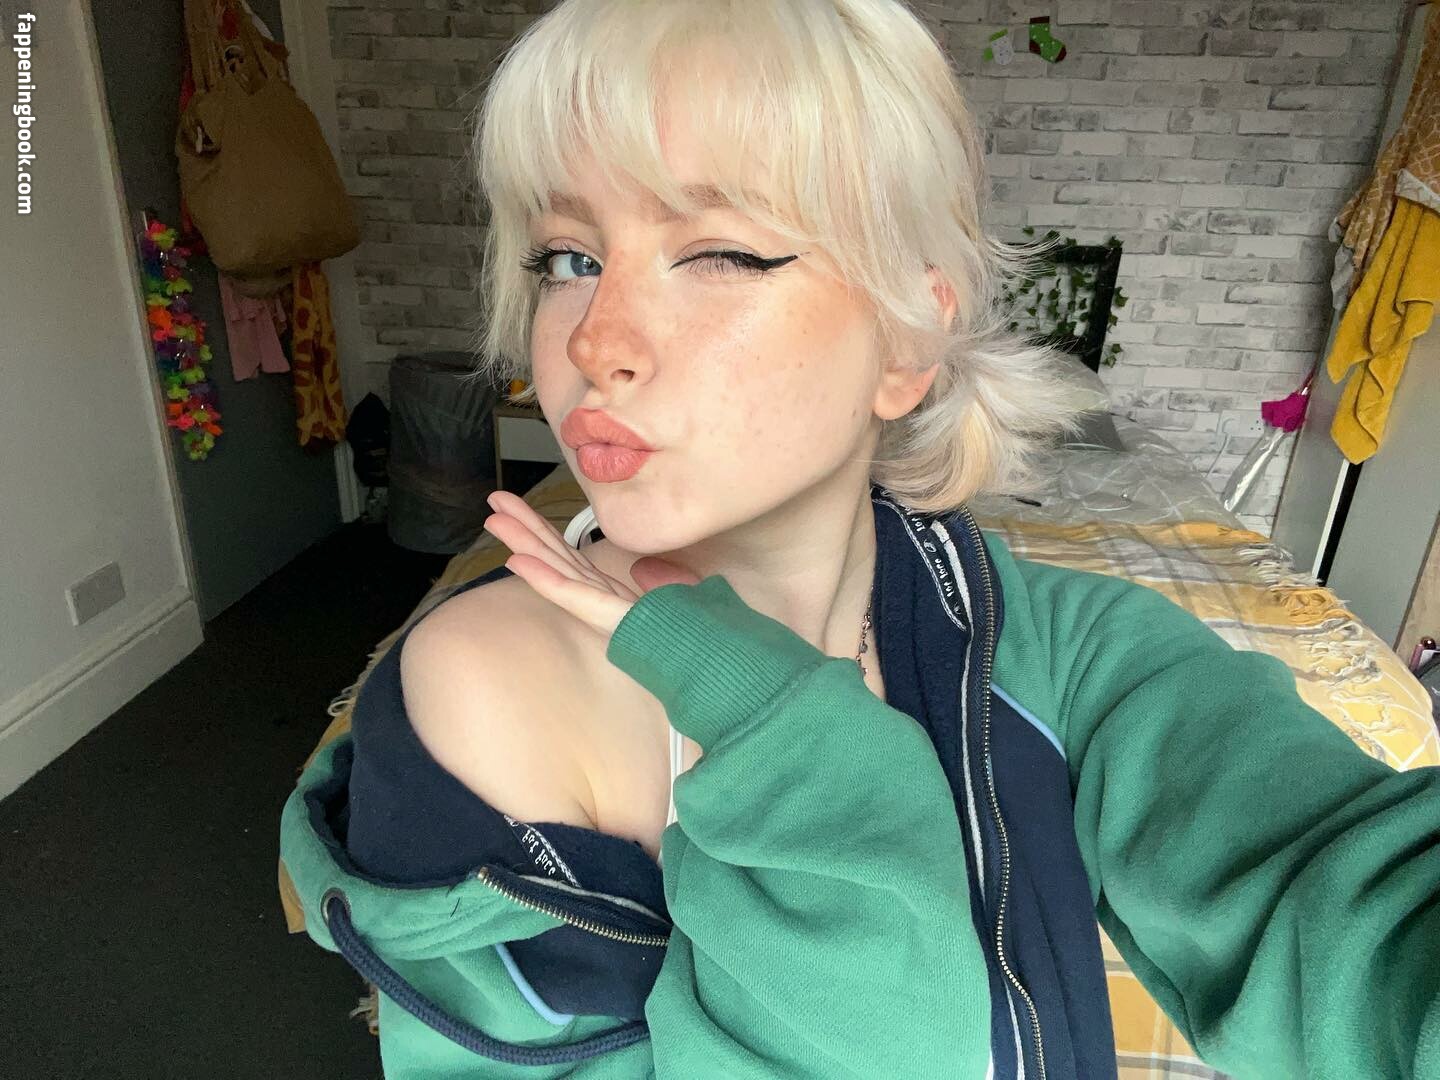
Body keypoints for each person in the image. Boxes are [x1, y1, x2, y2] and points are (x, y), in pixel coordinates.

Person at [279, 1, 1440, 1077]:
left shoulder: (1068, 655)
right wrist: (786, 747)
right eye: (570, 259)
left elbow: (1356, 923)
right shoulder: (488, 687)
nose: (596, 343)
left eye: (718, 252)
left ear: (906, 344)